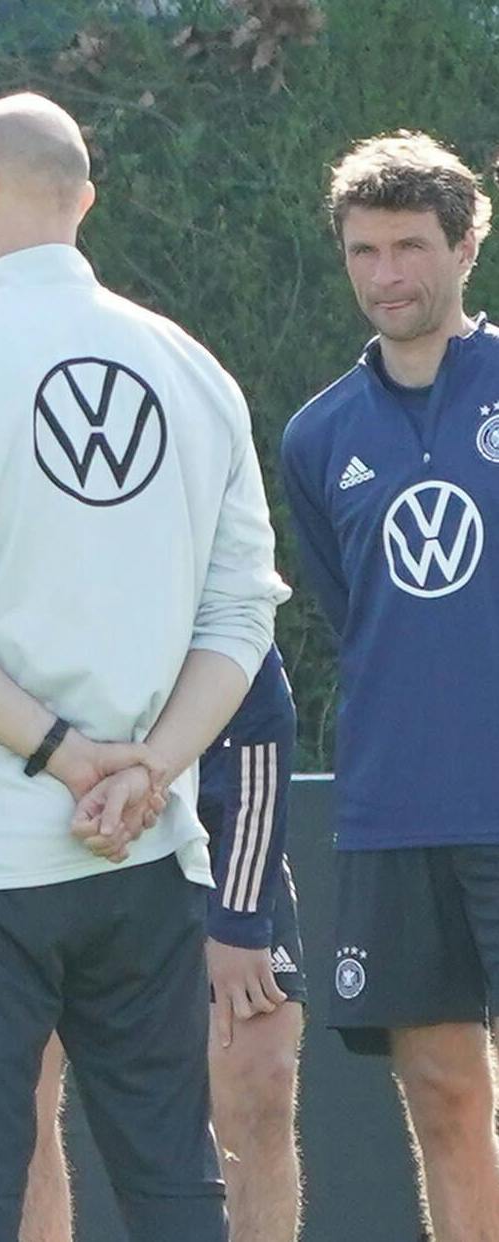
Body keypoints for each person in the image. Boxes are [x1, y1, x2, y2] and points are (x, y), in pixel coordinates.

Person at [0, 92, 288, 1242]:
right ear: (83, 200)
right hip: (145, 847)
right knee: (173, 1184)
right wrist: (147, 770)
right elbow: (242, 617)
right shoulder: (196, 372)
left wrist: (58, 755)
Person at [279, 131, 499, 1242]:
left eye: (411, 247)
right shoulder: (318, 436)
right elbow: (350, 609)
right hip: (392, 806)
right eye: (365, 251)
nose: (387, 277)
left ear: (468, 245)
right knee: (443, 1092)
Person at [22, 646, 305, 1242]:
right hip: (39, 824)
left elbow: (263, 710)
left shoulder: (199, 559)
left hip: (212, 832)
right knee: (18, 1104)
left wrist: (241, 919)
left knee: (259, 1080)